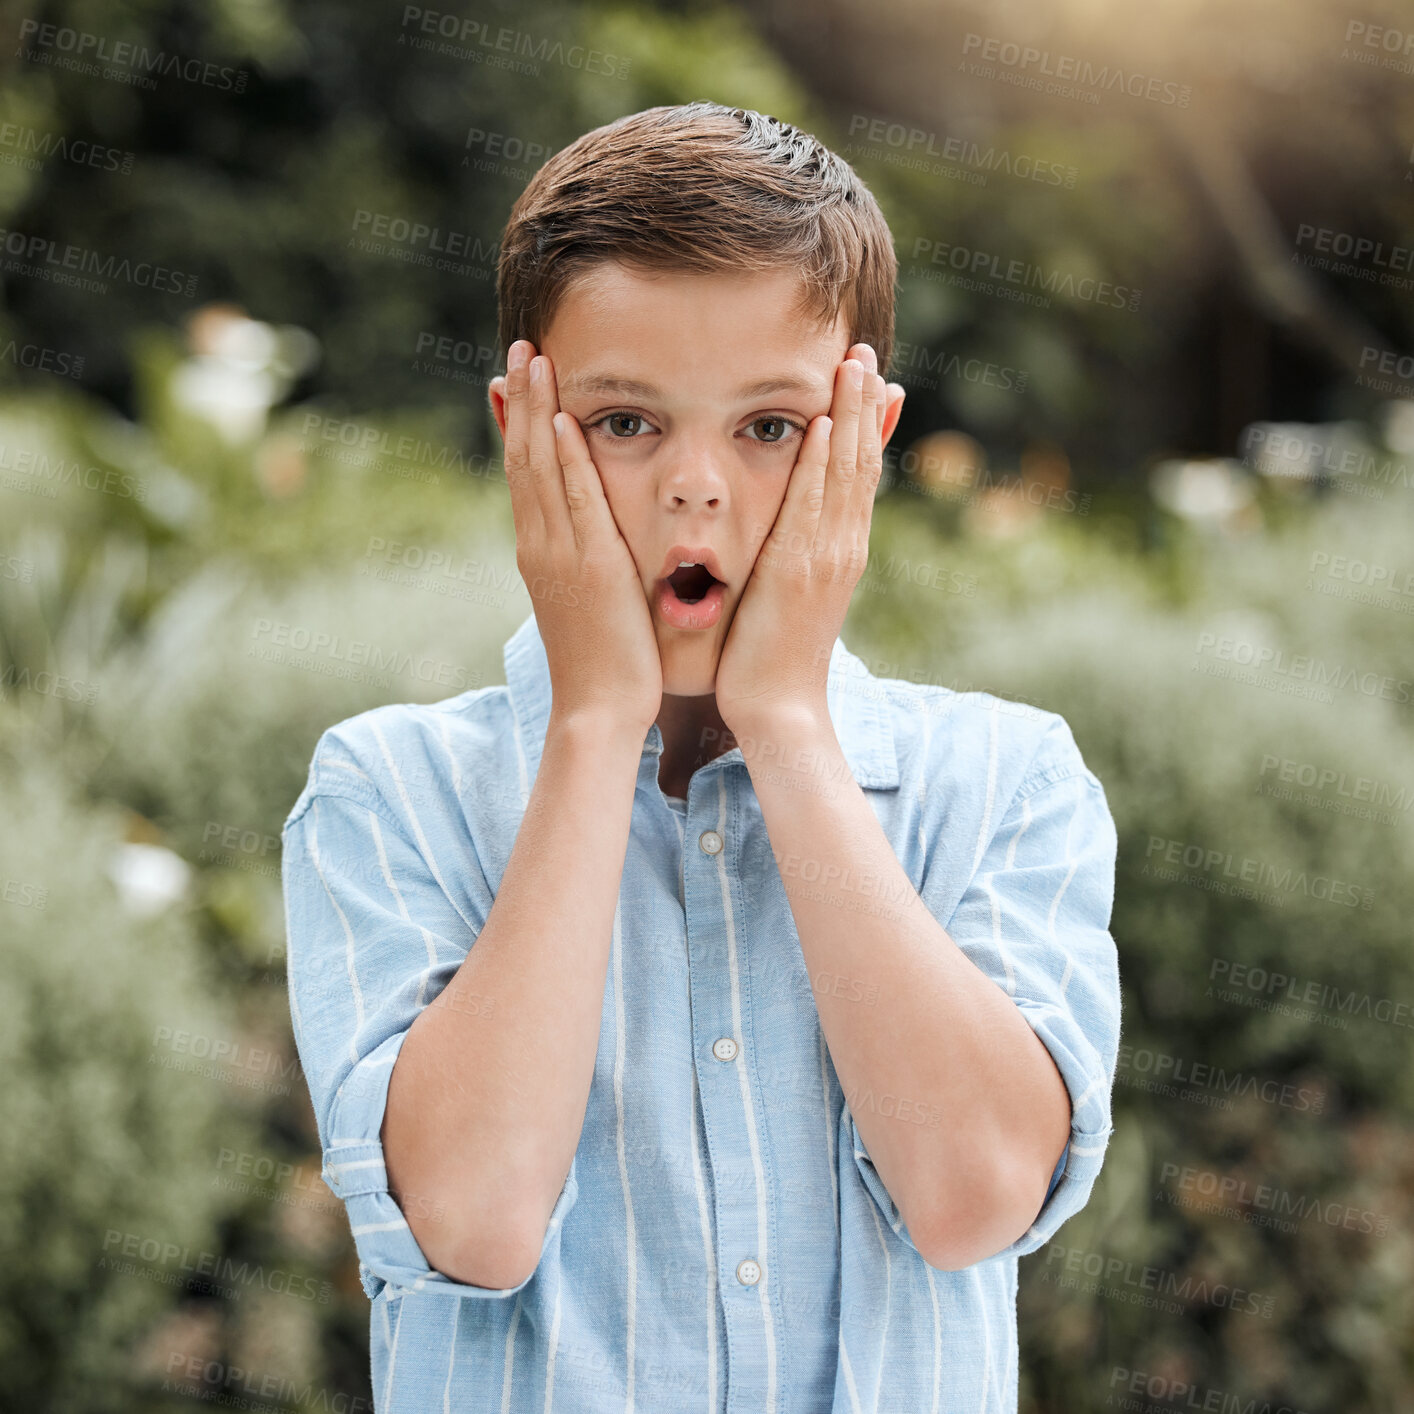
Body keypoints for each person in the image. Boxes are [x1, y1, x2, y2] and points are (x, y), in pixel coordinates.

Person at [281, 100, 1122, 1414]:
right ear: (521, 425)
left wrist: (783, 718)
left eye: (770, 426)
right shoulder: (390, 792)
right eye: (624, 422)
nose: (696, 486)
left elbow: (969, 1198)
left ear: (867, 437)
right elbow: (476, 1218)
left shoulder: (1005, 779)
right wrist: (590, 722)